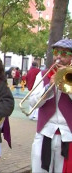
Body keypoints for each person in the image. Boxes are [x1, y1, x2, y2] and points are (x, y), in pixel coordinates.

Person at [29, 39, 72, 172]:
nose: (59, 57)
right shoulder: (43, 75)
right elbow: (32, 103)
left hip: (67, 135)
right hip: (44, 132)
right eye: (56, 52)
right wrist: (48, 87)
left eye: (64, 53)